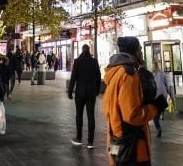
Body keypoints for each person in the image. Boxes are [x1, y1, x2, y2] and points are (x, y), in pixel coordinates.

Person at [103, 37, 157, 166]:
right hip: (132, 147)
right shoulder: (129, 74)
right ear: (134, 52)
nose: (142, 52)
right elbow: (132, 115)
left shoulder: (116, 73)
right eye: (140, 49)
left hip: (115, 141)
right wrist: (154, 107)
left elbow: (107, 107)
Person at [67, 43, 100, 149]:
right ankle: (90, 142)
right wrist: (97, 90)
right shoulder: (94, 61)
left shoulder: (77, 61)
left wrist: (70, 91)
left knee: (79, 116)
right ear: (89, 50)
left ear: (82, 50)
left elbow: (73, 78)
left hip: (80, 93)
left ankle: (79, 138)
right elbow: (98, 77)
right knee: (91, 117)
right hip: (91, 93)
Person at [151, 63, 172, 138]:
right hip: (163, 93)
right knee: (161, 105)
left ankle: (158, 125)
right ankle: (162, 114)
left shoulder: (151, 74)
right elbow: (167, 84)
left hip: (155, 94)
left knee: (156, 110)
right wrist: (168, 92)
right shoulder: (162, 73)